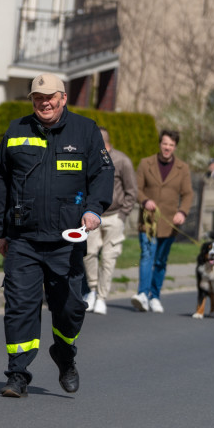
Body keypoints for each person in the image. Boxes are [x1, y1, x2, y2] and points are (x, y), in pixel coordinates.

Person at [0, 73, 113, 398]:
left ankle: (65, 353)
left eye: (50, 97)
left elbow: (102, 172)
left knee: (70, 308)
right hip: (23, 240)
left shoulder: (85, 131)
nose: (44, 103)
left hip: (66, 241)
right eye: (38, 98)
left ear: (63, 98)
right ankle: (17, 373)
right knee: (19, 306)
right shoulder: (16, 131)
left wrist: (94, 209)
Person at [131, 129, 194, 314]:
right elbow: (136, 188)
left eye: (171, 145)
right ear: (160, 144)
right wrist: (144, 201)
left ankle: (154, 296)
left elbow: (188, 193)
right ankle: (142, 294)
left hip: (169, 222)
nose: (167, 148)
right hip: (148, 222)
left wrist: (182, 212)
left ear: (175, 147)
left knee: (160, 261)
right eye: (165, 143)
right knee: (147, 256)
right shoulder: (145, 163)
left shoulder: (183, 168)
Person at [84, 127, 136, 315]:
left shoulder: (122, 161)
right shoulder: (89, 159)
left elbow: (131, 191)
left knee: (108, 258)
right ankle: (91, 290)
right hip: (92, 215)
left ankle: (102, 298)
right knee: (88, 253)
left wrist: (123, 215)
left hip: (114, 216)